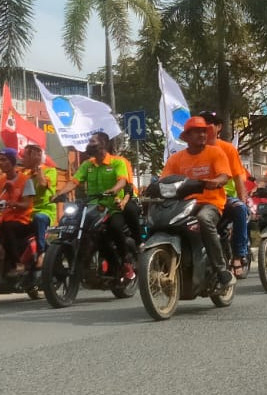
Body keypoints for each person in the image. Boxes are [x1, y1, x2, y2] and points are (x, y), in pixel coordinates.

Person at [159, 116, 234, 286]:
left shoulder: (215, 152)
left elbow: (224, 175)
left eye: (203, 131)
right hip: (183, 205)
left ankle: (221, 269)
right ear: (187, 137)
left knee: (204, 219)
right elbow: (164, 180)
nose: (201, 135)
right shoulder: (176, 159)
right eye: (196, 132)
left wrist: (216, 181)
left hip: (211, 203)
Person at [71, 131, 141, 281]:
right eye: (89, 141)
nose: (89, 144)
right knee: (73, 225)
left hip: (113, 207)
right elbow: (74, 181)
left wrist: (114, 190)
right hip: (93, 208)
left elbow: (123, 182)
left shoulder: (118, 162)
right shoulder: (87, 164)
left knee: (113, 228)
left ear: (103, 145)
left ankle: (125, 261)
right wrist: (59, 194)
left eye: (93, 142)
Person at [199, 111, 252, 277]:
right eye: (199, 127)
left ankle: (238, 255)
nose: (204, 130)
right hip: (197, 199)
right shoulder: (193, 150)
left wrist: (243, 199)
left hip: (224, 197)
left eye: (208, 124)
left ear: (218, 127)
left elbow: (238, 177)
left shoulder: (228, 149)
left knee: (240, 210)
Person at [0, 148, 38, 273]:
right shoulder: (0, 182)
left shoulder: (25, 180)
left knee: (7, 227)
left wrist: (14, 203)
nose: (0, 163)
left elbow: (27, 204)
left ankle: (17, 263)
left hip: (23, 221)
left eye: (4, 160)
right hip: (2, 220)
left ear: (12, 161)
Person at [19, 141, 59, 280]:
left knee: (39, 219)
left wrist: (38, 168)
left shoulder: (50, 171)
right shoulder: (23, 173)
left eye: (25, 156)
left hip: (44, 210)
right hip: (25, 212)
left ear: (35, 157)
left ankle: (41, 253)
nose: (22, 159)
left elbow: (42, 184)